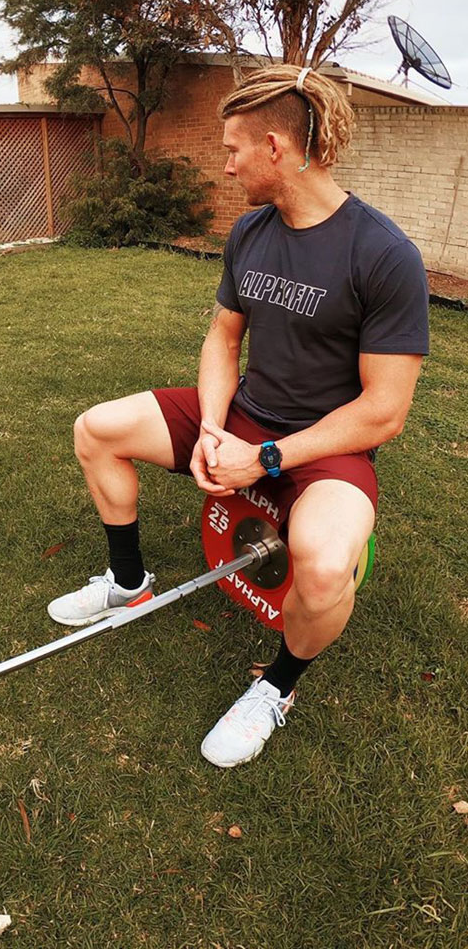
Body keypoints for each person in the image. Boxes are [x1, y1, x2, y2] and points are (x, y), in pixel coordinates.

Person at [47, 64, 430, 768]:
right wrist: (217, 429)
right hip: (245, 414)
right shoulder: (251, 233)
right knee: (96, 429)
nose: (224, 166)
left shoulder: (383, 254)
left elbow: (384, 412)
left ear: (276, 148)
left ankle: (278, 688)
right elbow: (223, 338)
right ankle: (128, 582)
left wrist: (266, 459)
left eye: (232, 150)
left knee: (321, 568)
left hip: (324, 449)